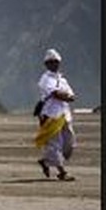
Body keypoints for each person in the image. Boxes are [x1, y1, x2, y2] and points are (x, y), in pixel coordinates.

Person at [35, 49, 77, 181]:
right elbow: (56, 94)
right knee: (55, 143)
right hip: (51, 115)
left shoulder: (62, 79)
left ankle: (46, 160)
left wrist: (67, 96)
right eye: (51, 62)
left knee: (69, 143)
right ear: (46, 64)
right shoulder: (45, 79)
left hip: (64, 115)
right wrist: (66, 96)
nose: (54, 64)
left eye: (56, 62)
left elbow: (71, 95)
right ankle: (62, 172)